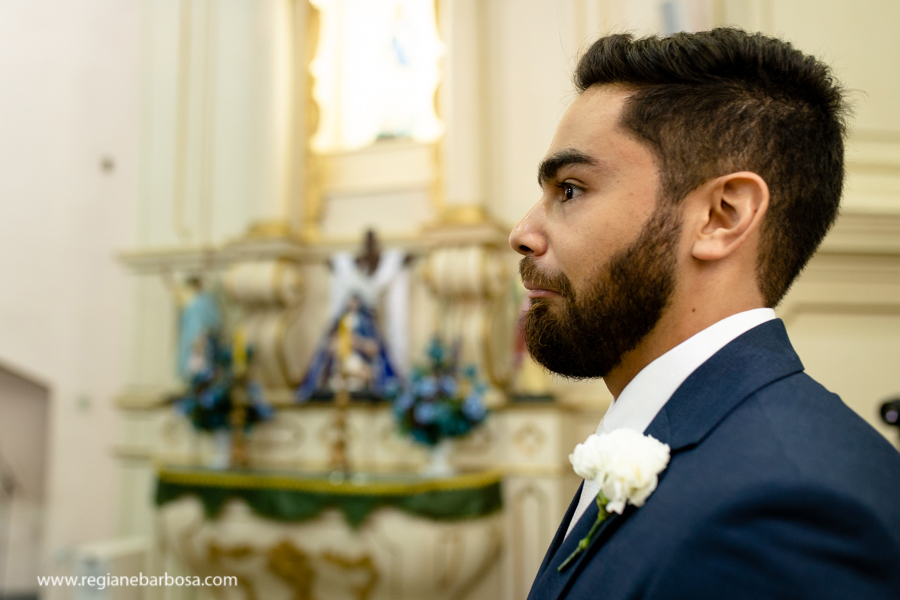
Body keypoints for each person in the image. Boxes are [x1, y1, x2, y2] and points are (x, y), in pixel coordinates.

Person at [509, 29, 900, 599]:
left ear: (722, 216)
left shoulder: (788, 513)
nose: (522, 233)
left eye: (570, 190)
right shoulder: (691, 433)